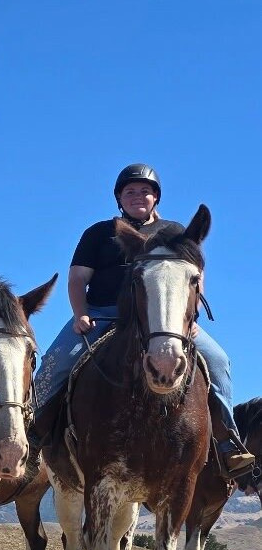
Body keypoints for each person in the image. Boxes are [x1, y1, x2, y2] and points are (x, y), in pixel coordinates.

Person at [31, 163, 254, 477]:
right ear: (119, 198)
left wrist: (191, 319)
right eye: (130, 191)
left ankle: (228, 443)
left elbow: (195, 277)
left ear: (156, 198)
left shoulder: (176, 232)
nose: (138, 196)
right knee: (55, 363)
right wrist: (80, 313)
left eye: (145, 191)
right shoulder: (98, 233)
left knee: (218, 361)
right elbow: (77, 279)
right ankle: (32, 436)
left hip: (164, 320)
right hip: (101, 314)